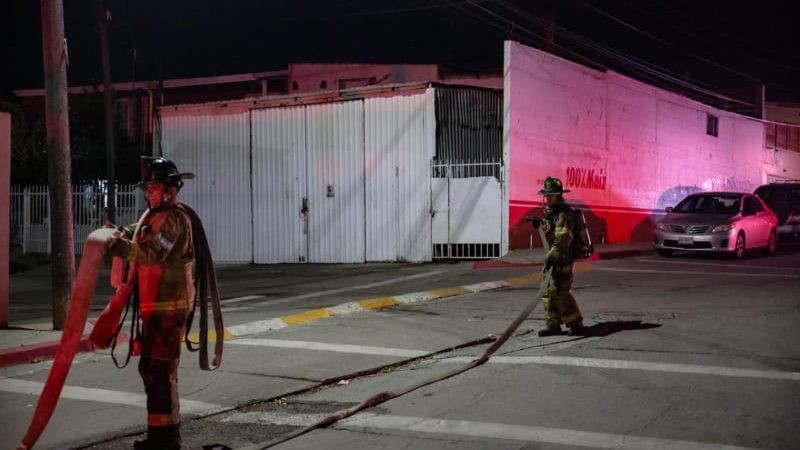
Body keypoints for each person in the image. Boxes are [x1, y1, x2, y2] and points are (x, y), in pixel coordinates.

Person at [108, 157, 196, 450]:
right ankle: (159, 436)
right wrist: (119, 233)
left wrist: (119, 247)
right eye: (148, 187)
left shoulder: (175, 220)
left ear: (171, 189)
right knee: (151, 369)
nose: (149, 192)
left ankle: (167, 440)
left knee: (160, 371)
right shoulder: (154, 215)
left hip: (169, 309)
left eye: (155, 187)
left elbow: (153, 254)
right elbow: (138, 232)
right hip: (156, 308)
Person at [535, 176, 585, 337]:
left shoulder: (564, 214)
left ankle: (576, 324)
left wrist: (553, 256)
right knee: (547, 291)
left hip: (562, 259)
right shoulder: (551, 212)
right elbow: (550, 231)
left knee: (560, 291)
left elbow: (563, 238)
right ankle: (553, 325)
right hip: (552, 257)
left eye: (552, 195)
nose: (548, 198)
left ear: (559, 195)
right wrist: (540, 224)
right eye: (547, 195)